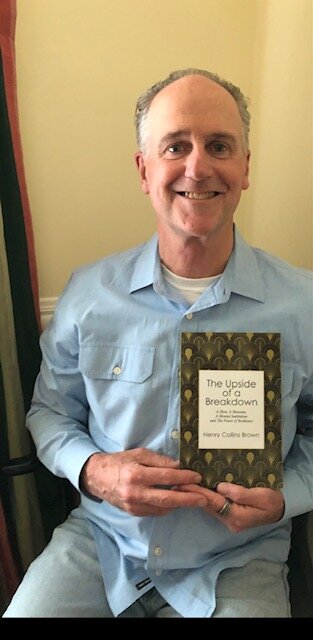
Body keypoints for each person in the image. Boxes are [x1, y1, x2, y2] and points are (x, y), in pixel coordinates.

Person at [3, 68, 313, 618]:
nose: (198, 166)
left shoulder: (303, 305)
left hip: (236, 560)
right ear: (144, 170)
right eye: (176, 146)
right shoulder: (88, 294)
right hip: (101, 548)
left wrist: (288, 494)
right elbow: (49, 414)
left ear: (245, 168)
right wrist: (94, 469)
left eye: (219, 146)